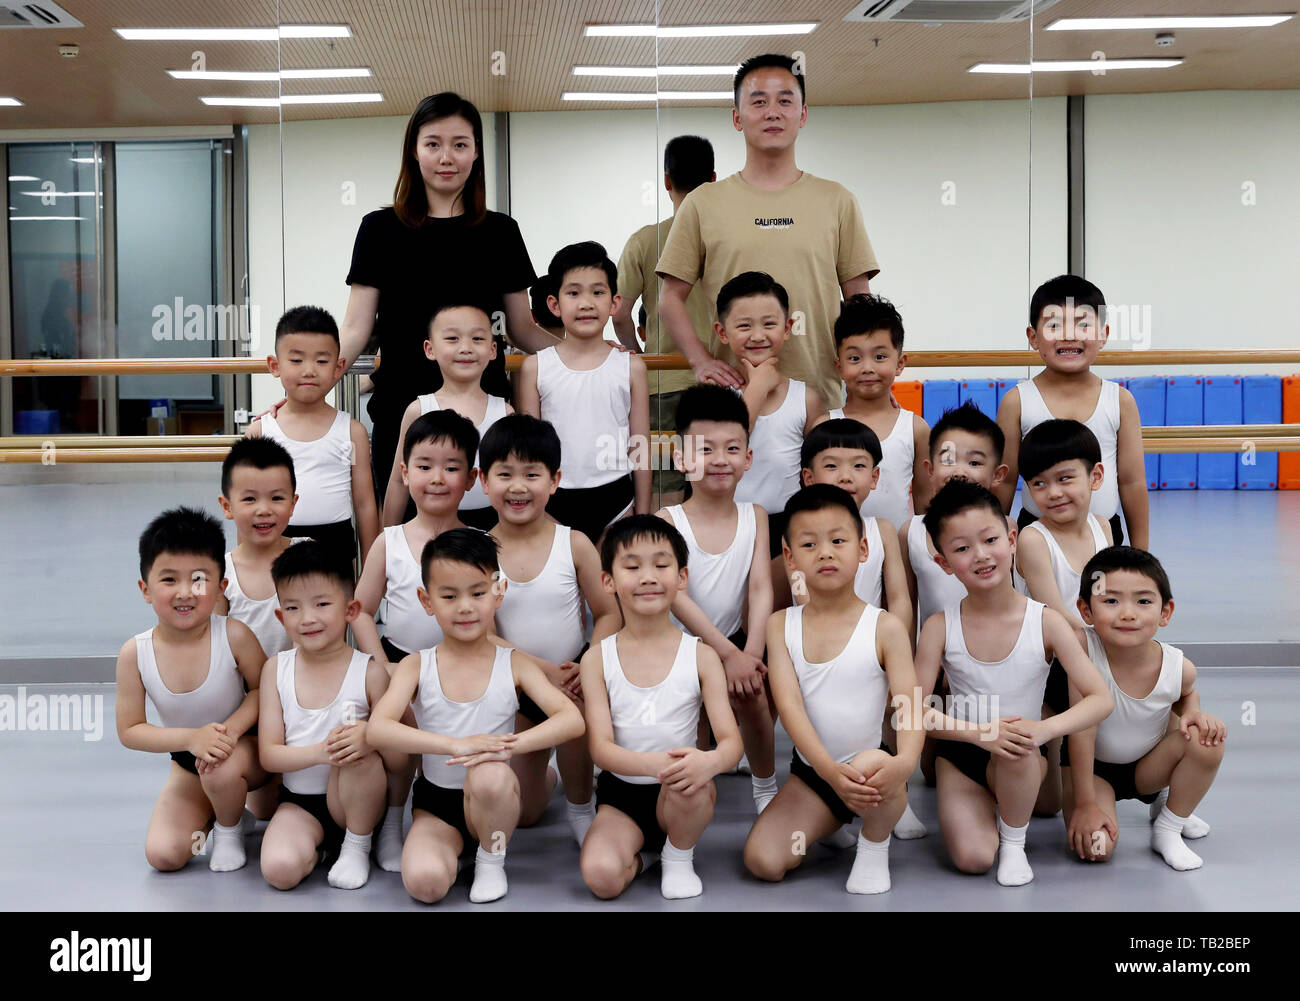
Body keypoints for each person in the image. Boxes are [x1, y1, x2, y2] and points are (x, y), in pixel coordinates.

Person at [340, 92, 562, 502]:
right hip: (401, 412)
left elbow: (522, 330)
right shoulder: (378, 229)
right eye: (433, 144)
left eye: (460, 144)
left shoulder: (501, 232)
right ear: (414, 151)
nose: (447, 157)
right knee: (409, 547)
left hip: (483, 414)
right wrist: (304, 389)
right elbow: (355, 329)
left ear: (476, 152)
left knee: (485, 547)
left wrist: (588, 353)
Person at [367, 529, 585, 904]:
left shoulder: (514, 662)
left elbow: (571, 719)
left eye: (478, 593)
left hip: (493, 797)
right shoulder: (416, 665)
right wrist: (456, 744)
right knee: (424, 884)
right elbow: (379, 729)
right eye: (449, 596)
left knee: (488, 775)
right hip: (438, 805)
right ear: (426, 600)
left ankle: (490, 858)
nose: (465, 607)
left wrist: (510, 745)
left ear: (498, 593)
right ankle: (456, 850)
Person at [913, 479, 1113, 886]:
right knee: (972, 859)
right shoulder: (939, 627)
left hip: (1023, 746)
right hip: (964, 752)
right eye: (962, 548)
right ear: (944, 563)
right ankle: (995, 803)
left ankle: (1015, 841)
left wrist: (1044, 730)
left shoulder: (1046, 621)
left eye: (989, 540)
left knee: (1019, 748)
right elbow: (908, 712)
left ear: (1011, 538)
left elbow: (1100, 699)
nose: (981, 556)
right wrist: (979, 734)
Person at [656, 54, 880, 408]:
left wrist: (870, 382)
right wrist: (700, 361)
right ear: (737, 117)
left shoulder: (837, 200)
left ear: (803, 114)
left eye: (785, 100)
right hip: (733, 402)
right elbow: (669, 299)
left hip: (820, 396)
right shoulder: (703, 202)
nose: (772, 112)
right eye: (758, 101)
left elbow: (859, 299)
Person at [743, 485, 921, 893]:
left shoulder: (885, 627)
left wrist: (906, 761)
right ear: (790, 558)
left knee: (876, 765)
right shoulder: (779, 625)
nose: (825, 552)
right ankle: (831, 820)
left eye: (838, 541)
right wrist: (829, 773)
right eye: (809, 543)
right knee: (763, 860)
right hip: (816, 775)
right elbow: (789, 707)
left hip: (876, 770)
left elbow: (909, 704)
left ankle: (874, 844)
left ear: (862, 549)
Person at [578, 516, 743, 900]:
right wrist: (657, 766)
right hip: (623, 795)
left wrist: (710, 763)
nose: (648, 577)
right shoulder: (597, 658)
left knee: (691, 786)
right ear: (608, 582)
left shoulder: (701, 655)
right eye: (632, 567)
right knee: (601, 878)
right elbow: (600, 747)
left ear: (682, 577)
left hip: (683, 789)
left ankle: (679, 856)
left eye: (661, 565)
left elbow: (731, 742)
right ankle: (649, 856)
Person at [481, 414, 623, 845]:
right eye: (504, 474)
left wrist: (587, 665)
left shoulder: (574, 542)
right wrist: (544, 671)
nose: (518, 487)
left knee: (575, 715)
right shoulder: (479, 550)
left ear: (555, 480)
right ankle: (547, 774)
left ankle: (582, 807)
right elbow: (483, 633)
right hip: (516, 686)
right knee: (522, 816)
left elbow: (608, 612)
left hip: (572, 680)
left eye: (532, 474)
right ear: (484, 482)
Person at [115, 507, 270, 873]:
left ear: (221, 586)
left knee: (229, 774)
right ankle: (222, 812)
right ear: (145, 589)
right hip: (188, 765)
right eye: (169, 580)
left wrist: (227, 733)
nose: (185, 592)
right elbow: (130, 730)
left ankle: (230, 830)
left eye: (199, 579)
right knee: (164, 855)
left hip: (248, 753)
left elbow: (265, 689)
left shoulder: (234, 635)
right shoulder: (135, 653)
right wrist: (192, 739)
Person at [797, 419, 925, 840]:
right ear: (809, 477)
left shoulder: (882, 530)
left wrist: (895, 647)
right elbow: (801, 596)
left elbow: (900, 597)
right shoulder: (799, 535)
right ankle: (829, 802)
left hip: (879, 644)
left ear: (875, 477)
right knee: (824, 717)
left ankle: (894, 794)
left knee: (889, 716)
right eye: (832, 466)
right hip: (823, 646)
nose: (845, 476)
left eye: (857, 466)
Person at [1064, 547, 1225, 872]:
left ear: (1166, 613)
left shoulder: (1179, 666)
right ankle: (1128, 803)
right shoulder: (1082, 650)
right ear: (1086, 610)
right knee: (1096, 848)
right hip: (1093, 772)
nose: (1127, 613)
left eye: (1143, 601)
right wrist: (1084, 803)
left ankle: (1168, 825)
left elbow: (1186, 694)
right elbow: (1083, 730)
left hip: (1146, 769)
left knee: (1207, 739)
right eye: (1111, 601)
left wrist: (1194, 712)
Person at [656, 384, 775, 813]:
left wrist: (751, 653)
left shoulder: (754, 516)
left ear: (747, 458)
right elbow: (675, 596)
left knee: (754, 692)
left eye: (731, 448)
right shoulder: (666, 520)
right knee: (689, 741)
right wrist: (726, 654)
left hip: (735, 642)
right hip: (679, 649)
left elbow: (761, 587)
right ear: (681, 458)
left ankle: (765, 787)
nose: (719, 459)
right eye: (704, 449)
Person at [257, 542, 397, 891]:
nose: (308, 618)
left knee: (359, 746)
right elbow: (270, 755)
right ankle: (321, 851)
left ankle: (357, 844)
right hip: (299, 804)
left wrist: (370, 736)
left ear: (350, 609)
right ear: (280, 616)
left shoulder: (370, 673)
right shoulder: (276, 669)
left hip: (356, 802)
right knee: (279, 870)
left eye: (322, 604)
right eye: (293, 607)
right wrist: (322, 751)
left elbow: (400, 758)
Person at [995, 274, 1149, 549]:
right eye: (1054, 325)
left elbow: (1132, 482)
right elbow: (1005, 481)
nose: (1069, 335)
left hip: (1104, 533)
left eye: (1083, 325)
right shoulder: (1017, 401)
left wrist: (1141, 554)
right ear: (1033, 337)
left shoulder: (1120, 400)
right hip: (1036, 533)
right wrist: (994, 540)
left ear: (1103, 335)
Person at [517, 241, 652, 542]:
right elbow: (530, 452)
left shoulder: (631, 367)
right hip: (553, 501)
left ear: (614, 303)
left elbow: (640, 445)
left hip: (617, 500)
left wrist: (642, 513)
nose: (586, 303)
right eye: (574, 292)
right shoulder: (535, 368)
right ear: (555, 304)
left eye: (598, 292)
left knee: (611, 587)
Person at [613, 134, 718, 505]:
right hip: (723, 384)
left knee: (666, 494)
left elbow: (621, 313)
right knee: (717, 485)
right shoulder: (728, 239)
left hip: (663, 381)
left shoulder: (644, 241)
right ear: (715, 179)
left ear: (666, 181)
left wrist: (638, 356)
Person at [721, 272, 826, 608]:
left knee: (788, 613)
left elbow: (816, 473)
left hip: (788, 528)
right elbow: (728, 441)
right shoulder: (713, 397)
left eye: (768, 324)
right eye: (743, 325)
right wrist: (757, 387)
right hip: (729, 525)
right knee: (736, 613)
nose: (757, 335)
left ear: (788, 327)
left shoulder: (805, 398)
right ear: (722, 333)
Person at [248, 306, 380, 571]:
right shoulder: (260, 433)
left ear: (338, 367)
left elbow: (365, 503)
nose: (309, 370)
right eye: (296, 361)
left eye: (321, 361)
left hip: (337, 549)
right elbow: (247, 505)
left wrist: (371, 570)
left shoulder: (352, 432)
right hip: (275, 548)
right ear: (275, 366)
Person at [354, 410, 478, 667]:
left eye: (451, 468)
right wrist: (383, 665)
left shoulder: (483, 544)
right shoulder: (389, 542)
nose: (437, 478)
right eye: (424, 466)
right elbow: (361, 611)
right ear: (406, 473)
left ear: (470, 478)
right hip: (399, 663)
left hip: (467, 668)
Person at [381, 302, 513, 531]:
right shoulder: (418, 410)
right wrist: (389, 540)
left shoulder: (505, 412)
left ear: (493, 350)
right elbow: (398, 482)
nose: (466, 347)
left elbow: (512, 479)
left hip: (493, 528)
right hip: (428, 523)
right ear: (429, 349)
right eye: (452, 339)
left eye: (478, 339)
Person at [820, 294, 930, 527]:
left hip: (897, 555)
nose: (867, 367)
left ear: (900, 363)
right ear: (839, 366)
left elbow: (924, 506)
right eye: (854, 358)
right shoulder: (823, 426)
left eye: (879, 357)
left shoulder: (915, 428)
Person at [216, 436, 299, 659]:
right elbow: (215, 645)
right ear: (227, 506)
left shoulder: (309, 556)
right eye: (250, 499)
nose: (264, 509)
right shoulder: (221, 572)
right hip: (241, 689)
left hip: (300, 685)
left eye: (277, 498)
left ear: (293, 504)